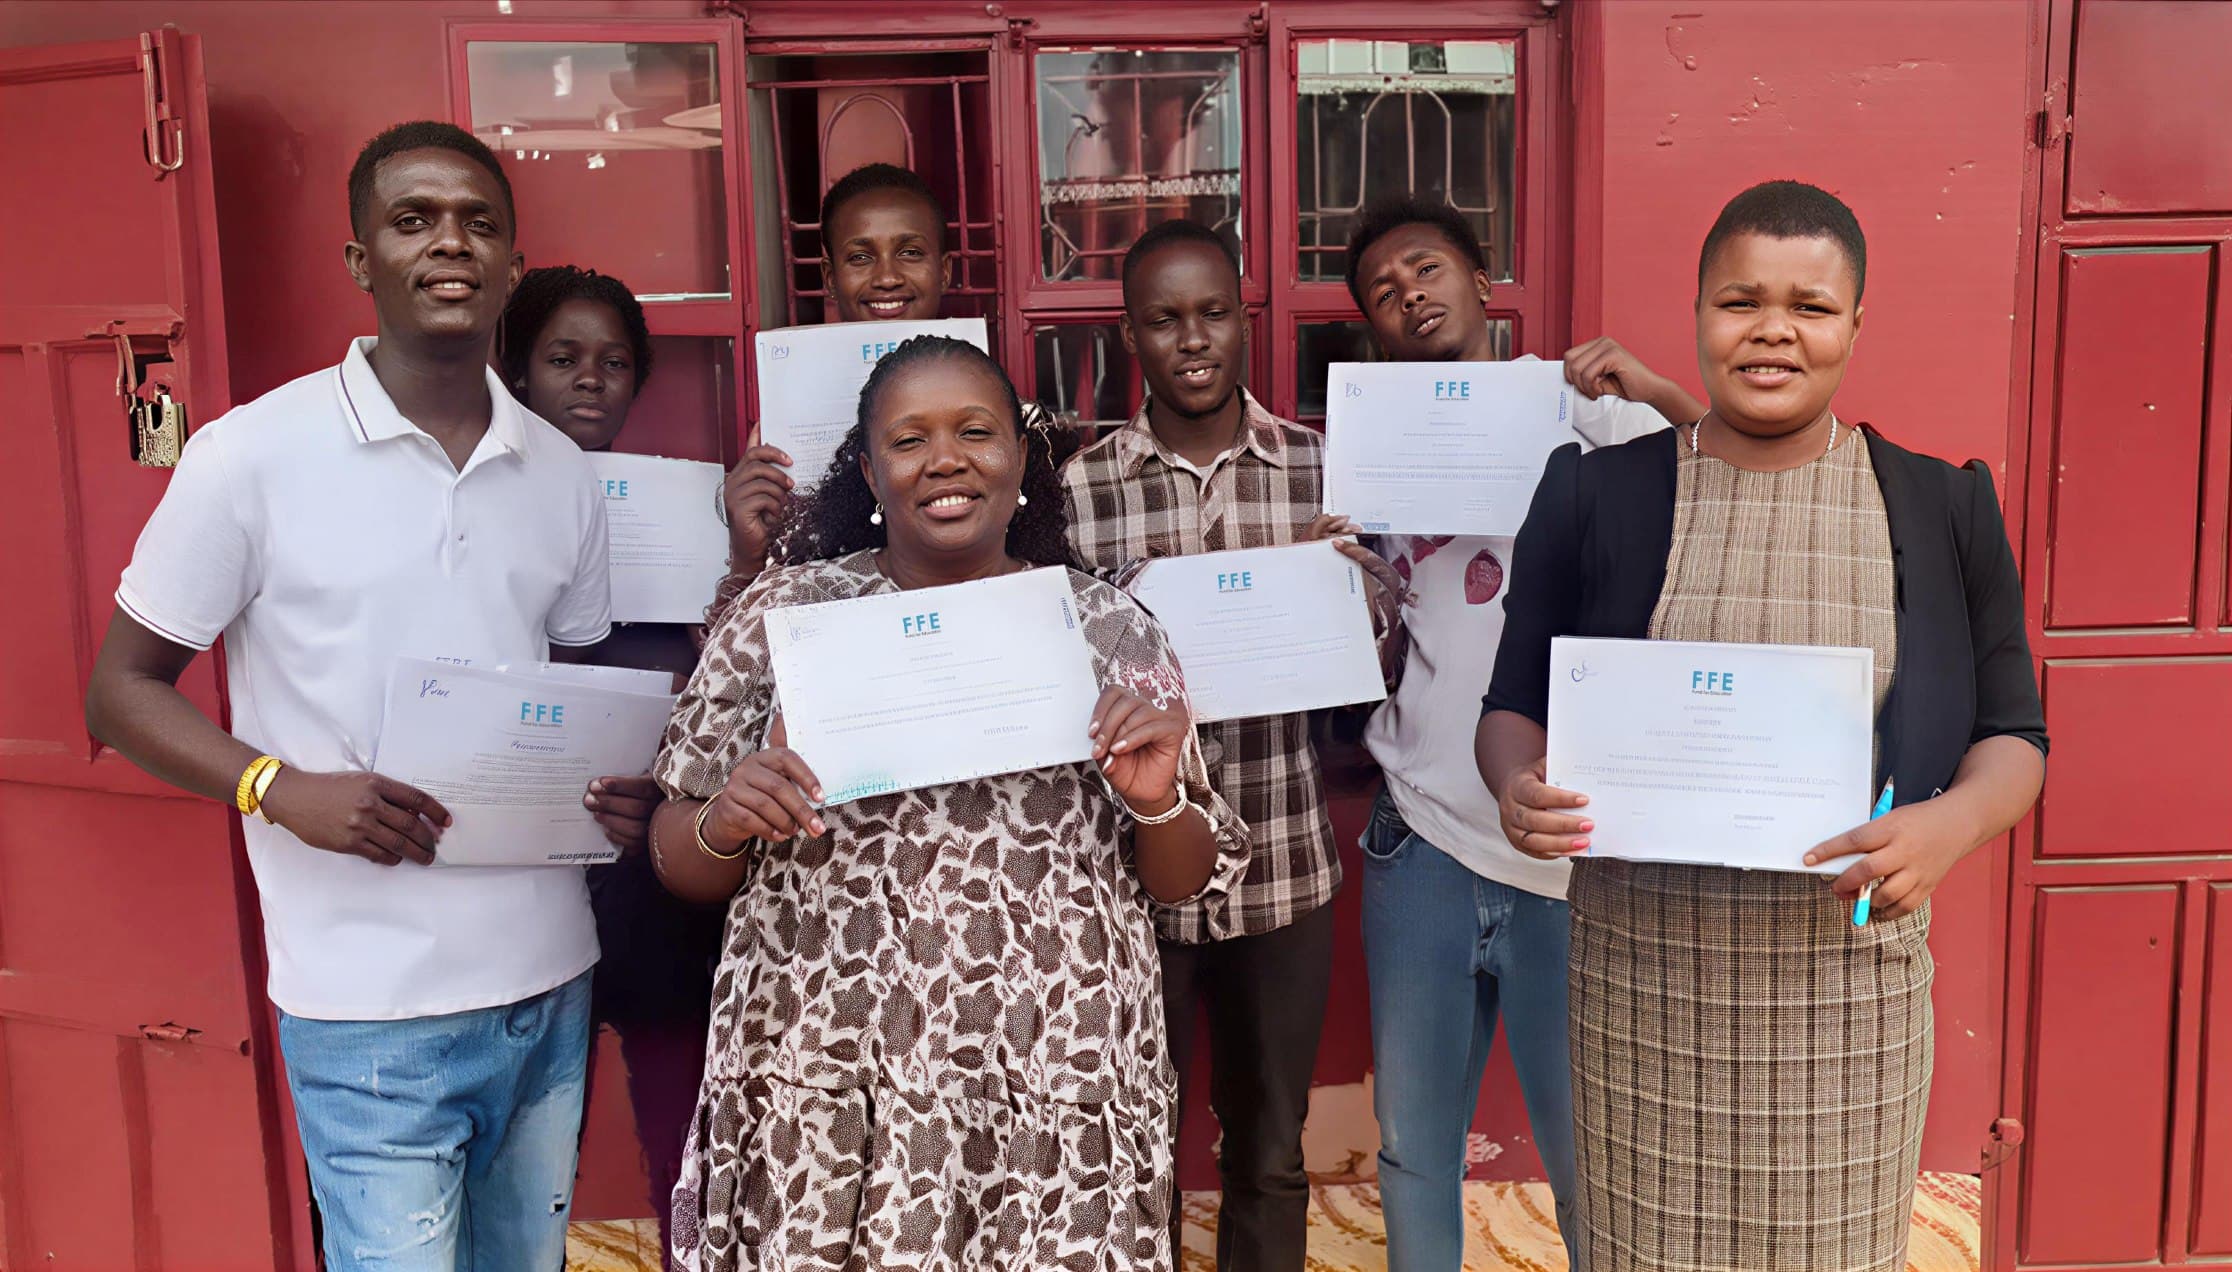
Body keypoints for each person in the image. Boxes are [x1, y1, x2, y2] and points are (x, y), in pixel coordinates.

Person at [83, 121, 650, 1270]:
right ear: (361, 262)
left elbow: (567, 683)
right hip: (365, 1008)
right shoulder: (252, 456)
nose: (451, 243)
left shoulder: (560, 471)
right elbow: (117, 693)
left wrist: (612, 791)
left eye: (479, 222)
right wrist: (273, 785)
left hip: (546, 981)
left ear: (509, 261)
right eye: (414, 220)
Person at [1478, 180, 2047, 1271]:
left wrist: (1948, 829)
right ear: (1698, 314)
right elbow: (1511, 707)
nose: (1773, 329)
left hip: (1846, 997)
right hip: (1640, 996)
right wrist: (1516, 788)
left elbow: (2017, 735)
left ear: (1855, 324)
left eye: (1811, 306)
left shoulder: (1939, 507)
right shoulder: (1598, 496)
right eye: (1740, 301)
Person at [645, 335, 1250, 1271]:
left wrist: (1160, 801)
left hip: (1056, 1078)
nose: (946, 460)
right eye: (909, 439)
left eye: (975, 431)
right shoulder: (784, 621)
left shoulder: (1107, 626)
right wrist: (722, 821)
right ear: (869, 469)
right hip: (832, 1083)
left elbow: (1182, 883)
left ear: (1022, 457)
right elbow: (675, 857)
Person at [1341, 195, 1704, 1270]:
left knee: (1590, 1151)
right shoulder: (1373, 455)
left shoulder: (1583, 409)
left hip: (1570, 850)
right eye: (1383, 293)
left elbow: (1732, 485)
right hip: (1423, 837)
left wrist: (1655, 388)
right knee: (1413, 1147)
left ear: (1483, 281)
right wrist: (1345, 593)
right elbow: (1382, 641)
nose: (1409, 297)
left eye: (1427, 270)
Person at [1060, 218, 1401, 1269]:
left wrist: (1360, 604)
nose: (1192, 338)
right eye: (1164, 320)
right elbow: (1055, 677)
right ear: (1132, 338)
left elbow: (1377, 669)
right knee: (1132, 1149)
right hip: (1134, 875)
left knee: (1270, 1151)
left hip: (1283, 867)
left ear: (1243, 320)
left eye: (1211, 313)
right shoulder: (1083, 487)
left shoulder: (1319, 469)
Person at [501, 264, 724, 1264]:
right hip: (519, 879)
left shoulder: (686, 517)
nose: (591, 381)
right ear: (515, 370)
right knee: (524, 1151)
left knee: (685, 1137)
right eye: (563, 358)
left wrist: (739, 560)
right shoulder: (477, 516)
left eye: (614, 363)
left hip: (653, 886)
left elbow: (736, 684)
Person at [713, 163, 1078, 605]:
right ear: (830, 277)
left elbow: (1048, 578)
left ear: (943, 270)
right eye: (861, 257)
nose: (887, 277)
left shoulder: (1023, 426)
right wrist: (747, 554)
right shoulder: (782, 434)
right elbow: (744, 648)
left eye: (909, 252)